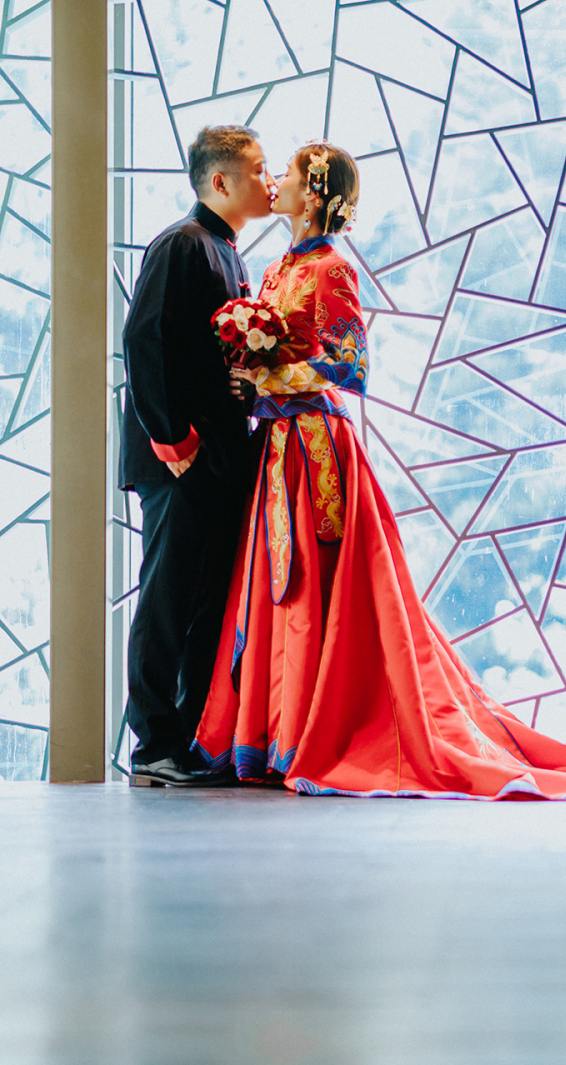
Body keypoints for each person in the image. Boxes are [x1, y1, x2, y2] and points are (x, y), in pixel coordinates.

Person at [190, 142, 566, 798]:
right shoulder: (282, 267)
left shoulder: (333, 270)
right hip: (279, 446)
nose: (276, 179)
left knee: (321, 590)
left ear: (313, 194)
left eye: (286, 172)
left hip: (315, 448)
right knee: (288, 590)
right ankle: (282, 726)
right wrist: (255, 383)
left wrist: (270, 377)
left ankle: (316, 728)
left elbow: (352, 365)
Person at [123, 126, 275, 787]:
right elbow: (145, 340)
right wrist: (172, 438)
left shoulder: (229, 254)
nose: (270, 182)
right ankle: (153, 743)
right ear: (221, 181)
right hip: (179, 457)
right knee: (167, 596)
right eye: (260, 169)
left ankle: (184, 740)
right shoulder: (182, 245)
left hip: (215, 457)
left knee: (204, 601)